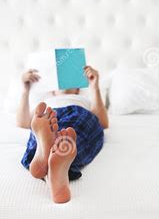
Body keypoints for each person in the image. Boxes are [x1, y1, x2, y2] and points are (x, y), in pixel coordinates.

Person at [16, 66, 108, 203]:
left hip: (78, 113)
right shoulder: (44, 106)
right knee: (61, 139)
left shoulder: (84, 100)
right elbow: (23, 123)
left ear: (77, 89)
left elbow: (103, 122)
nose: (64, 83)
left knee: (73, 131)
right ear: (53, 90)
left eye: (69, 80)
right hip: (51, 115)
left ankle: (46, 157)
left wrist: (95, 86)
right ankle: (53, 163)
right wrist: (25, 90)